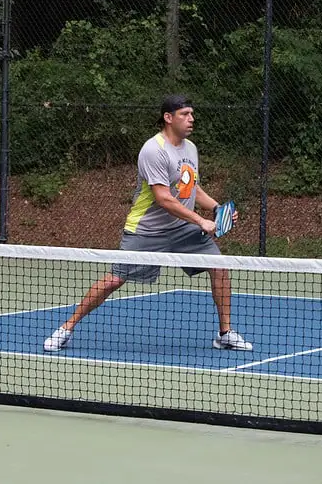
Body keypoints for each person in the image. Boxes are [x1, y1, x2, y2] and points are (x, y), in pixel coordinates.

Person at [43, 94, 253, 352]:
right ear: (168, 118)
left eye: (191, 114)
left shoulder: (190, 149)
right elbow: (164, 199)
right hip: (147, 231)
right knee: (114, 280)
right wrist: (201, 220)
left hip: (181, 229)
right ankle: (66, 328)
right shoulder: (153, 150)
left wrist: (217, 209)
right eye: (184, 114)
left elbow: (191, 189)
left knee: (219, 267)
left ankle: (225, 333)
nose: (191, 119)